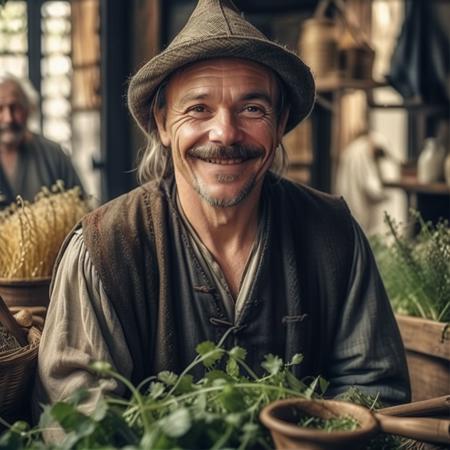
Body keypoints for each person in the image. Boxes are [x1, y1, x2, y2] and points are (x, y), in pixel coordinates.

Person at [34, 0, 410, 417]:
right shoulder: (104, 249)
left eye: (252, 109)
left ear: (280, 122)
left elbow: (377, 392)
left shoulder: (334, 236)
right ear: (161, 122)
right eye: (198, 109)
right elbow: (76, 421)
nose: (226, 133)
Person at [0, 72, 84, 209]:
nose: (8, 118)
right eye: (0, 109)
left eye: (15, 108)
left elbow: (82, 207)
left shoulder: (54, 155)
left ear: (28, 109)